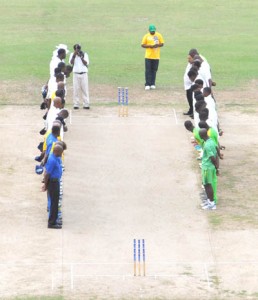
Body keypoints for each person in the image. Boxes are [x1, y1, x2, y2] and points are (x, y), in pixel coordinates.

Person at [42, 144, 64, 229]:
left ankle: (54, 220)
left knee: (55, 202)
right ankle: (51, 223)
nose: (61, 154)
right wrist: (45, 185)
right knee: (54, 203)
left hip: (55, 182)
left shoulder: (54, 157)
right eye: (61, 152)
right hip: (53, 183)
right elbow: (47, 173)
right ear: (56, 151)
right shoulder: (52, 160)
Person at [199, 128, 219, 210]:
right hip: (211, 167)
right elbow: (217, 148)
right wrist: (217, 166)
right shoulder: (211, 141)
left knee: (207, 184)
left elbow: (212, 157)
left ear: (201, 136)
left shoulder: (207, 145)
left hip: (207, 167)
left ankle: (211, 203)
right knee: (207, 184)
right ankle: (209, 201)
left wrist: (216, 166)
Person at [141, 24, 164, 90]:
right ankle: (147, 84)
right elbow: (142, 45)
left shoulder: (158, 35)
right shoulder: (146, 36)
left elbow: (162, 43)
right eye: (151, 31)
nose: (152, 32)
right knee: (148, 70)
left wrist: (157, 45)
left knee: (154, 70)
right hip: (148, 56)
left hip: (156, 56)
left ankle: (152, 83)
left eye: (153, 31)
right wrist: (150, 46)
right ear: (149, 30)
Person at [69, 44, 90, 109]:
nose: (77, 51)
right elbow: (71, 63)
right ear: (74, 49)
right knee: (76, 89)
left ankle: (86, 104)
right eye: (76, 49)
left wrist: (81, 57)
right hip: (75, 74)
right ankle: (76, 104)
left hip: (84, 74)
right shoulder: (72, 55)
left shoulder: (85, 54)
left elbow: (86, 63)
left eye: (78, 49)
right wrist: (74, 55)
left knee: (85, 89)